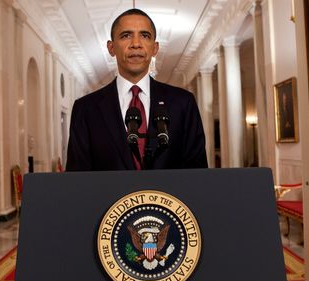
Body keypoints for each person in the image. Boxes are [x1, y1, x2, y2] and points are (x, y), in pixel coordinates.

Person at [66, 8, 207, 171]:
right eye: (126, 35)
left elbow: (197, 174)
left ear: (155, 48)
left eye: (145, 36)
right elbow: (77, 180)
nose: (136, 44)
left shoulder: (183, 103)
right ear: (111, 48)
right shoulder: (85, 109)